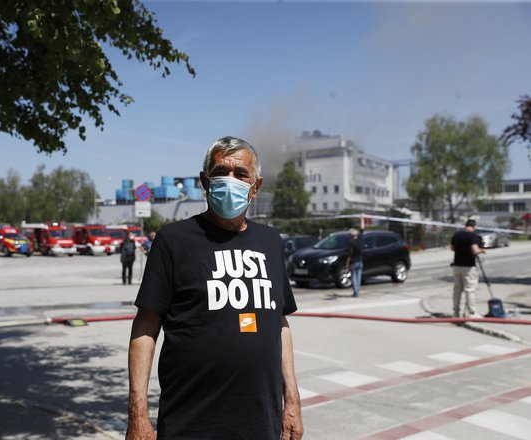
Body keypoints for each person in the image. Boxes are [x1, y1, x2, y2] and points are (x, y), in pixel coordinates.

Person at [126, 136, 303, 440]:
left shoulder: (271, 242)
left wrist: (293, 401)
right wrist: (137, 413)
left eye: (241, 174)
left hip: (260, 423)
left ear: (255, 186)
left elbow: (280, 324)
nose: (230, 180)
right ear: (205, 181)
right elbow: (146, 325)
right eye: (221, 172)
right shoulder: (173, 240)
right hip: (191, 423)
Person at [450, 219, 486, 317]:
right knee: (470, 289)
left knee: (457, 290)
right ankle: (472, 312)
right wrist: (482, 250)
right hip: (468, 266)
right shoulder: (473, 236)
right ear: (474, 227)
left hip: (457, 265)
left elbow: (452, 248)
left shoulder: (457, 235)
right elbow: (474, 250)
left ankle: (456, 312)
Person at [345, 215, 366, 297]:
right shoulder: (360, 239)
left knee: (354, 277)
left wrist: (347, 263)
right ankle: (357, 291)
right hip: (360, 261)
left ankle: (356, 292)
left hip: (354, 262)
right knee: (358, 277)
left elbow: (350, 254)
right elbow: (362, 228)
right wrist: (362, 219)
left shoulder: (351, 242)